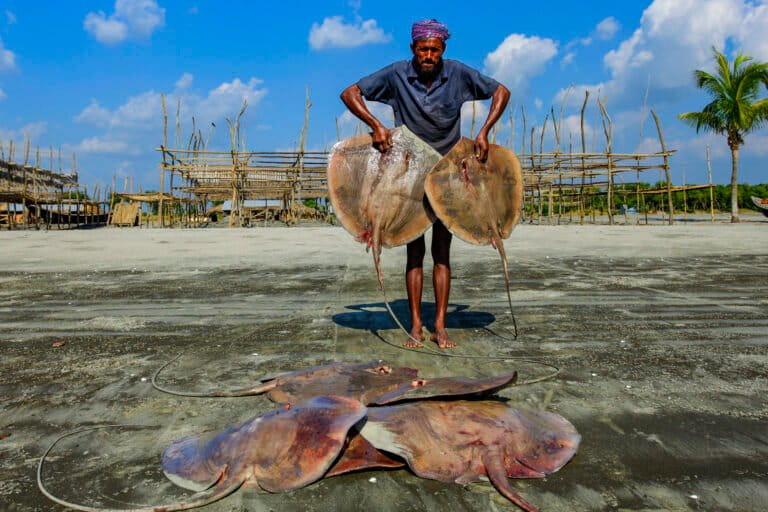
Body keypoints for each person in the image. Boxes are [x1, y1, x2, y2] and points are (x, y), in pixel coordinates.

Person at [340, 19, 510, 349]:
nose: (428, 55)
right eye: (422, 49)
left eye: (434, 50)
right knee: (414, 251)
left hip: (448, 171)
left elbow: (501, 91)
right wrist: (375, 124)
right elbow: (350, 93)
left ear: (443, 50)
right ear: (413, 50)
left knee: (442, 252)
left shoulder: (458, 73)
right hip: (409, 171)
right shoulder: (396, 75)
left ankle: (440, 325)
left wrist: (484, 131)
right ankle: (416, 325)